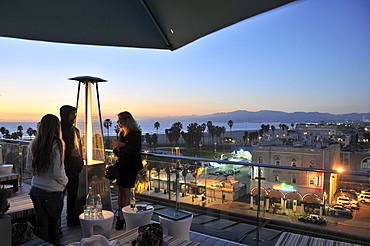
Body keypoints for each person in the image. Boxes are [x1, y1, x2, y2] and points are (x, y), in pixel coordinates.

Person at [26, 114, 68, 246]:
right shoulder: (57, 144)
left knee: (41, 225)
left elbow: (28, 167)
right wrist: (65, 182)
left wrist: (39, 176)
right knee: (53, 225)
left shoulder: (34, 143)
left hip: (35, 190)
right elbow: (57, 171)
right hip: (52, 192)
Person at [113, 111, 143, 230]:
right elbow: (119, 151)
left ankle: (122, 217)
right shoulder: (121, 133)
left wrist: (122, 145)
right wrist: (116, 147)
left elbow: (134, 150)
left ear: (126, 120)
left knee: (126, 192)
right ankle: (121, 214)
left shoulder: (135, 134)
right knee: (120, 191)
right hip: (122, 165)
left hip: (130, 167)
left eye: (120, 120)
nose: (118, 123)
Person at [60, 105, 84, 226]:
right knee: (61, 195)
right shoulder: (60, 131)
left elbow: (79, 147)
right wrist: (70, 153)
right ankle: (57, 223)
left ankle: (72, 218)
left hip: (75, 167)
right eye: (72, 114)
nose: (75, 116)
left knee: (73, 194)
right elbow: (57, 150)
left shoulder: (75, 130)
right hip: (64, 167)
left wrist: (81, 161)